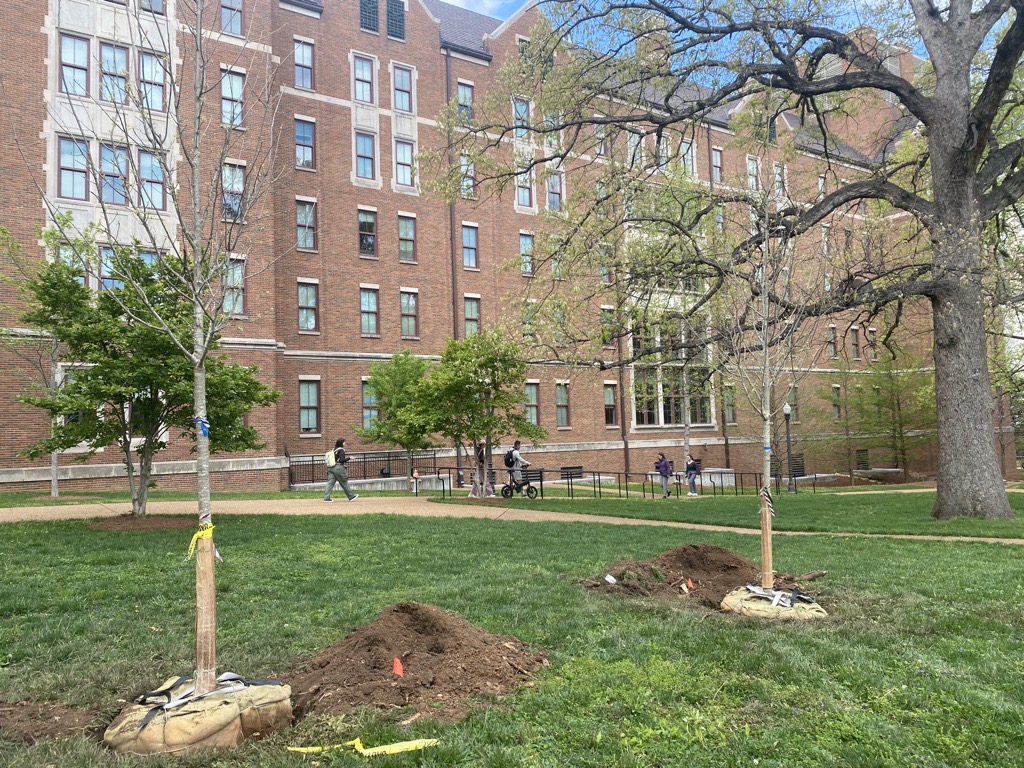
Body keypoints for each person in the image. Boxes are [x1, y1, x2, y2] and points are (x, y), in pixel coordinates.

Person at [324, 438, 358, 502]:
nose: (345, 443)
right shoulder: (341, 450)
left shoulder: (333, 450)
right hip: (338, 468)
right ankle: (351, 496)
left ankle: (326, 498)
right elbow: (342, 460)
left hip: (330, 468)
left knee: (330, 483)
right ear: (341, 443)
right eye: (344, 442)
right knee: (344, 482)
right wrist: (349, 458)